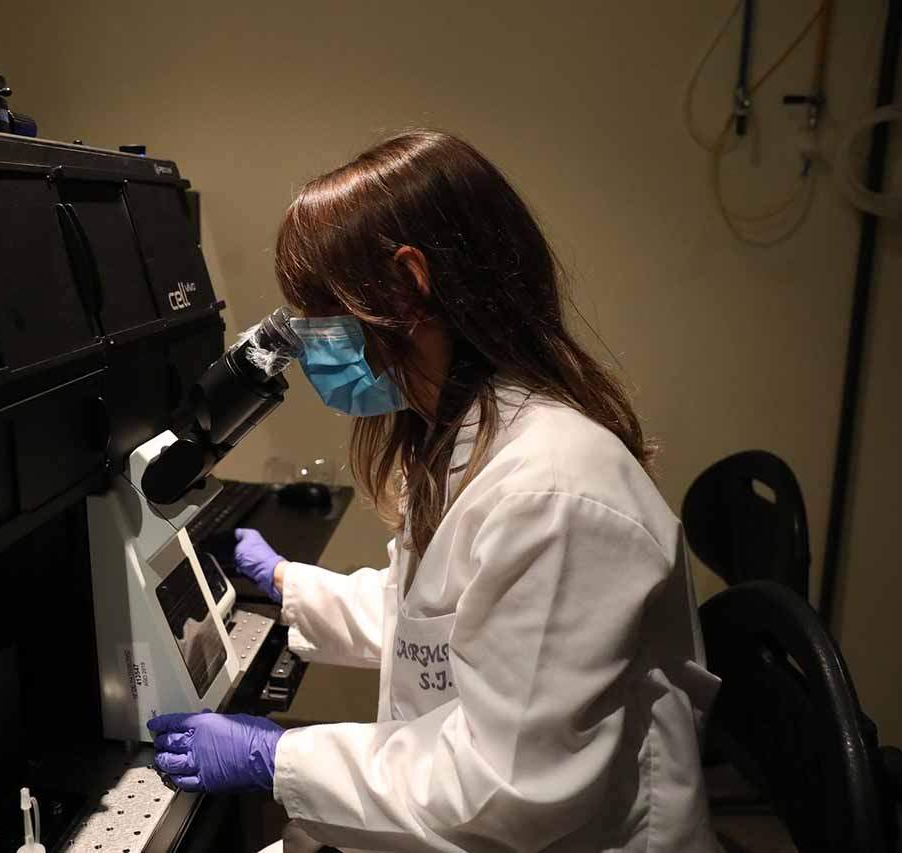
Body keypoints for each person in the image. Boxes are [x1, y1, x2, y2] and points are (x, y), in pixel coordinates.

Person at [148, 129, 721, 852]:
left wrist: (278, 758)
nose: (305, 342)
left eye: (316, 316)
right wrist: (290, 582)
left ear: (409, 284)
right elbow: (441, 629)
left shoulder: (555, 493)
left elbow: (503, 783)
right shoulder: (472, 440)